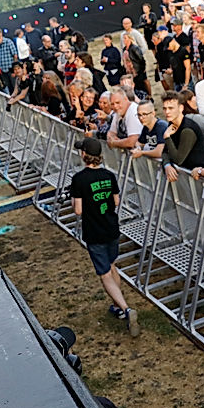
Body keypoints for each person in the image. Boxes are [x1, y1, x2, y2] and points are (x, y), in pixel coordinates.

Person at [70, 137, 139, 337]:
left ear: (84, 155)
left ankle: (126, 309)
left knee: (104, 274)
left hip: (94, 232)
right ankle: (117, 305)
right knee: (111, 265)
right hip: (112, 228)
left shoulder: (79, 179)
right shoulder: (109, 175)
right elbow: (116, 201)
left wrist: (75, 198)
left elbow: (78, 210)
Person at [159, 91, 204, 181]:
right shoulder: (171, 124)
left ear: (181, 108)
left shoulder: (187, 129)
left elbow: (178, 160)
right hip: (186, 178)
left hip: (200, 179)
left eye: (171, 108)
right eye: (165, 108)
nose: (167, 112)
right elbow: (165, 152)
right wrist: (167, 165)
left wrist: (167, 137)